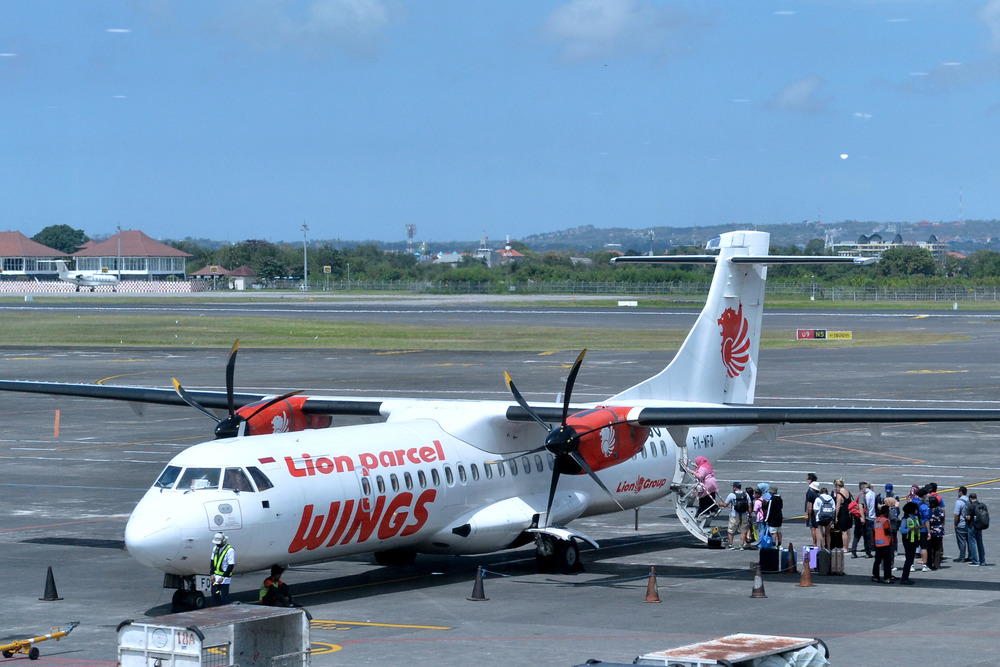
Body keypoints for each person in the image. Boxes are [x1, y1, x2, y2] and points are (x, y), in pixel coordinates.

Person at [717, 481, 751, 550]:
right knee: (743, 531)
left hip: (734, 514)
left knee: (731, 530)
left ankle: (730, 545)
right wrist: (749, 515)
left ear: (735, 487)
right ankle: (741, 545)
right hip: (744, 514)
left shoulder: (732, 495)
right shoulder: (746, 495)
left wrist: (719, 504)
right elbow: (749, 506)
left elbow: (726, 504)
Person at [210, 532, 236, 605]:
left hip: (225, 578)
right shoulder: (215, 548)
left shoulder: (230, 550)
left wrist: (223, 577)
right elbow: (212, 560)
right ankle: (218, 607)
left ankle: (225, 609)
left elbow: (231, 565)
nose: (217, 544)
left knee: (224, 595)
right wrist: (211, 573)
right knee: (215, 594)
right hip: (216, 576)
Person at [898, 502, 921, 585]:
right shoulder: (906, 519)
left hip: (914, 541)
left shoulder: (914, 518)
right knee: (908, 559)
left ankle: (906, 577)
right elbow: (902, 530)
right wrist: (911, 529)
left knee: (911, 559)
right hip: (908, 541)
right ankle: (904, 578)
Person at [872, 505, 894, 584]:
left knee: (877, 561)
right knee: (887, 561)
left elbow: (873, 531)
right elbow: (887, 531)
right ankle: (886, 577)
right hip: (885, 543)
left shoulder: (876, 520)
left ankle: (875, 576)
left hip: (877, 543)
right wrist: (892, 532)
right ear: (886, 512)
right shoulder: (885, 521)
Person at [965, 492, 987, 567]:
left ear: (970, 499)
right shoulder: (981, 505)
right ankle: (982, 560)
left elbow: (968, 517)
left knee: (972, 543)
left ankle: (975, 561)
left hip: (972, 526)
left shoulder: (971, 506)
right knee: (980, 543)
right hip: (979, 526)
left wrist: (965, 516)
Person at [831, 478, 852, 550]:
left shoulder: (839, 494)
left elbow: (838, 506)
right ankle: (847, 546)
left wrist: (836, 516)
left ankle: (845, 547)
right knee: (848, 530)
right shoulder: (847, 492)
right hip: (848, 513)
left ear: (837, 486)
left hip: (843, 514)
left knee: (843, 531)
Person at [927, 495, 945, 570]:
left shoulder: (928, 511)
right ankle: (937, 564)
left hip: (931, 530)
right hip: (939, 530)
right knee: (937, 548)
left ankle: (930, 564)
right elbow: (942, 518)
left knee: (930, 548)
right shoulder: (940, 510)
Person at [954, 486, 970, 563]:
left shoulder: (959, 502)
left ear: (960, 492)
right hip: (969, 524)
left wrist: (956, 524)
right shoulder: (968, 500)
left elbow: (956, 515)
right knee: (969, 540)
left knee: (962, 541)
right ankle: (971, 556)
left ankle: (962, 557)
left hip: (962, 524)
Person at [805, 475, 820, 547]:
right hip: (817, 511)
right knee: (816, 527)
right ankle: (816, 543)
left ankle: (815, 543)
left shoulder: (810, 492)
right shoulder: (817, 493)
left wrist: (807, 514)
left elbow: (809, 504)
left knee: (813, 528)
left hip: (812, 512)